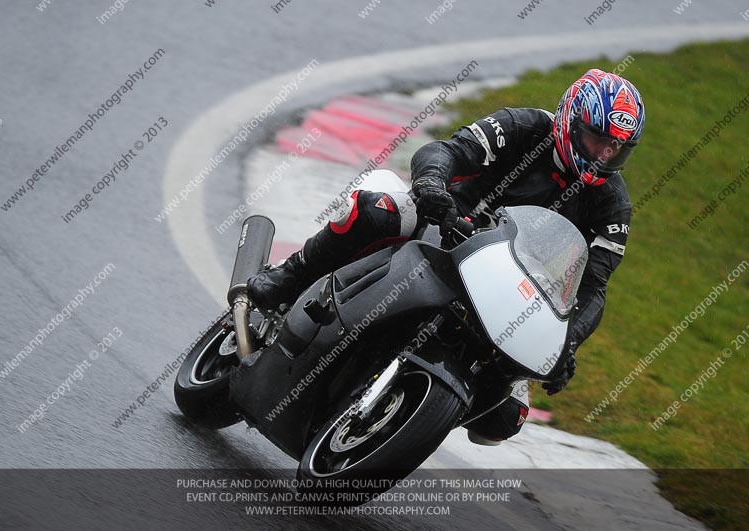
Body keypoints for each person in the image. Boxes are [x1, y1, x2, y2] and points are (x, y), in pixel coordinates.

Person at [247, 68, 645, 444]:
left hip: (511, 291)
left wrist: (568, 343)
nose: (603, 155)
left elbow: (594, 286)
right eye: (597, 140)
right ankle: (292, 276)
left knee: (503, 419)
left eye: (616, 149)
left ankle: (412, 414)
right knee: (377, 211)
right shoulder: (524, 126)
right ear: (570, 120)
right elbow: (446, 150)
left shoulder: (612, 205)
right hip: (446, 228)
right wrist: (433, 185)